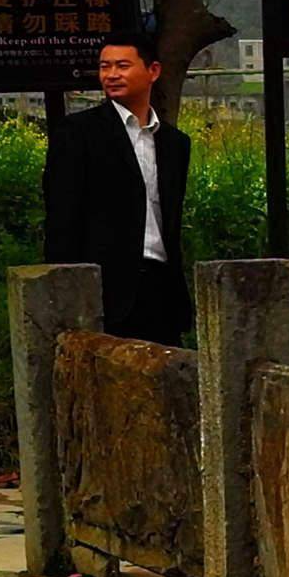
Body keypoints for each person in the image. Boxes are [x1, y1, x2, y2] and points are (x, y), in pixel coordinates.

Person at [43, 32, 192, 344]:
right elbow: (62, 219)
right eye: (104, 66)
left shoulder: (174, 143)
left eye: (122, 66)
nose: (111, 75)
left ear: (153, 71)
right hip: (104, 290)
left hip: (161, 289)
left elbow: (170, 220)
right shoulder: (77, 133)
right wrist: (64, 291)